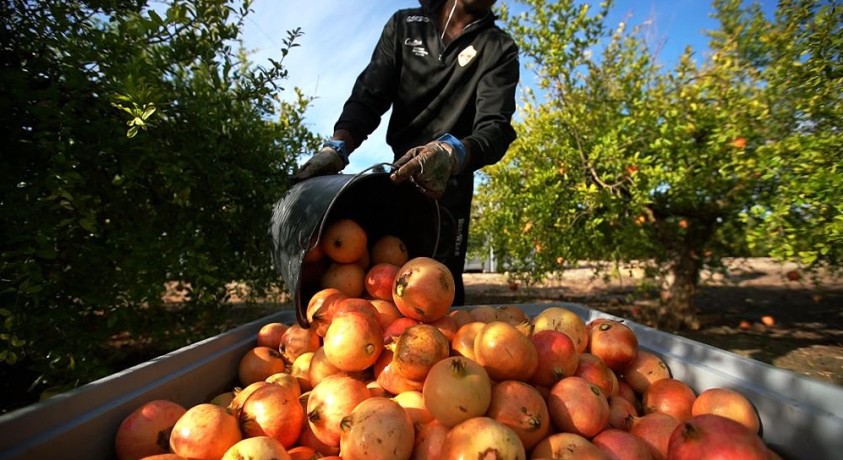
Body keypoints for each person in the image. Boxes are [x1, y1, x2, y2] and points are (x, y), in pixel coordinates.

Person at [293, 0, 519, 305]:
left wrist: (452, 153)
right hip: (395, 183)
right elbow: (368, 97)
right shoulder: (405, 26)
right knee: (377, 291)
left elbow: (495, 128)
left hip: (448, 188)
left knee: (439, 296)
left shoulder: (498, 48)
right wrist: (337, 146)